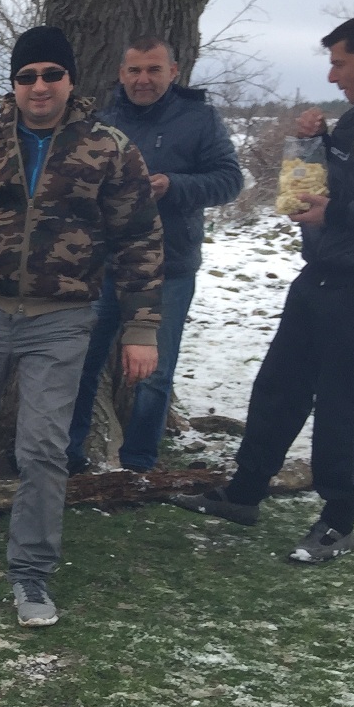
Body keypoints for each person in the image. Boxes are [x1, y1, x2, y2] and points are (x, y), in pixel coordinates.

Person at [0, 26, 162, 626]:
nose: (39, 86)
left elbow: (140, 239)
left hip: (62, 320)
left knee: (43, 449)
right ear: (14, 85)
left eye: (52, 74)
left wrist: (142, 328)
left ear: (71, 81)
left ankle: (31, 572)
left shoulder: (109, 148)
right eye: (27, 77)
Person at [174, 12, 354, 563]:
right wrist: (310, 144)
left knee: (342, 397)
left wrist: (335, 215)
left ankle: (339, 519)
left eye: (340, 63)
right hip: (322, 269)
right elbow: (324, 186)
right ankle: (244, 493)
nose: (333, 76)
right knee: (278, 385)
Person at [65, 37, 243, 473]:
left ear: (173, 72)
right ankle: (68, 455)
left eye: (153, 70)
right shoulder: (101, 121)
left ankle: (139, 465)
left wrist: (174, 185)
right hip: (105, 264)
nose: (143, 79)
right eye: (134, 70)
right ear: (121, 74)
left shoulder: (199, 119)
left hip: (169, 266)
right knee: (81, 362)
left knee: (154, 373)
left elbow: (230, 180)